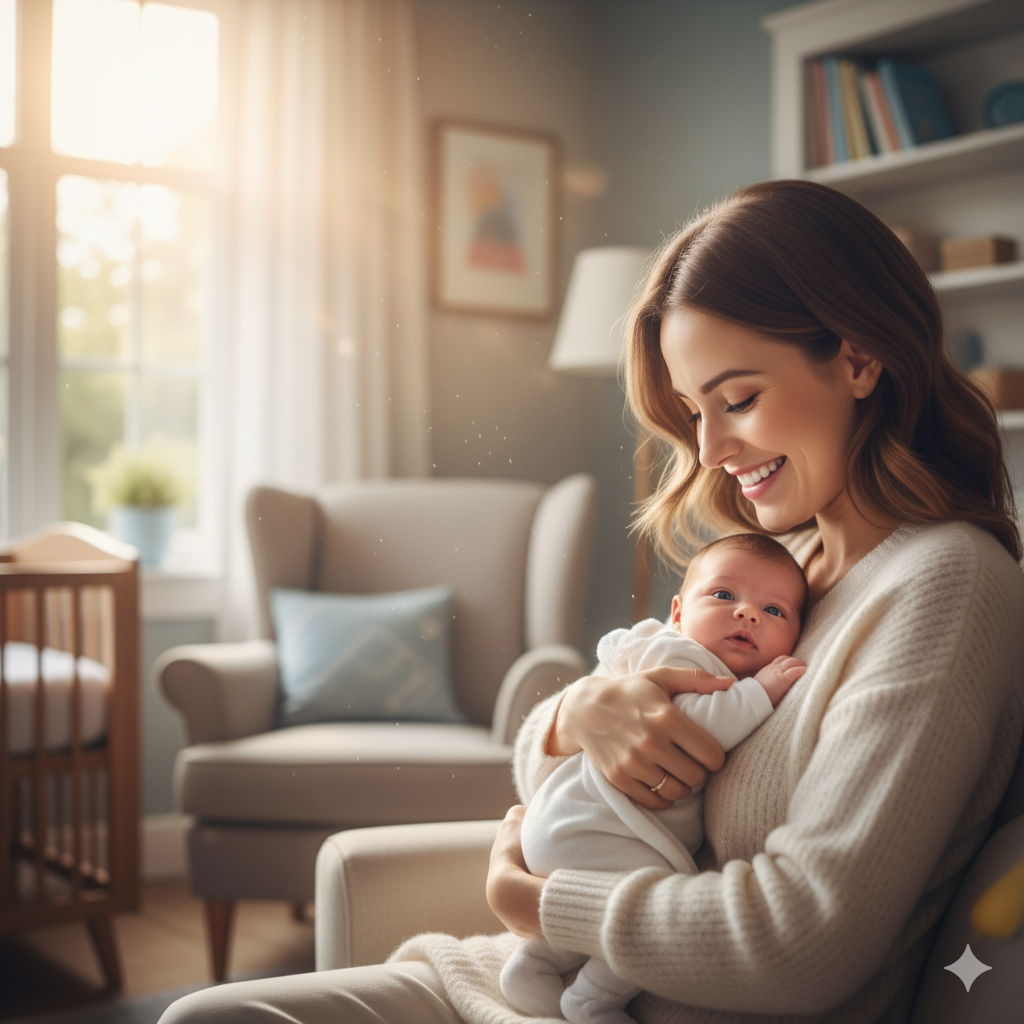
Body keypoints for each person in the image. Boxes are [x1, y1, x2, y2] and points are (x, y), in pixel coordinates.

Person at [159, 179, 1024, 1024]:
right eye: (693, 411)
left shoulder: (944, 585)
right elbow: (557, 774)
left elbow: (802, 939)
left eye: (739, 399)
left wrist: (539, 905)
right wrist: (581, 714)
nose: (712, 447)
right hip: (526, 981)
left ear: (859, 357)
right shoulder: (785, 569)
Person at [501, 533, 809, 1024]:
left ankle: (531, 967)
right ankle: (593, 1000)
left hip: (566, 833)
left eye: (775, 612)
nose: (748, 613)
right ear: (679, 612)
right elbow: (698, 728)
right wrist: (762, 690)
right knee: (659, 891)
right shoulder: (684, 658)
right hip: (596, 831)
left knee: (613, 909)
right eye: (725, 596)